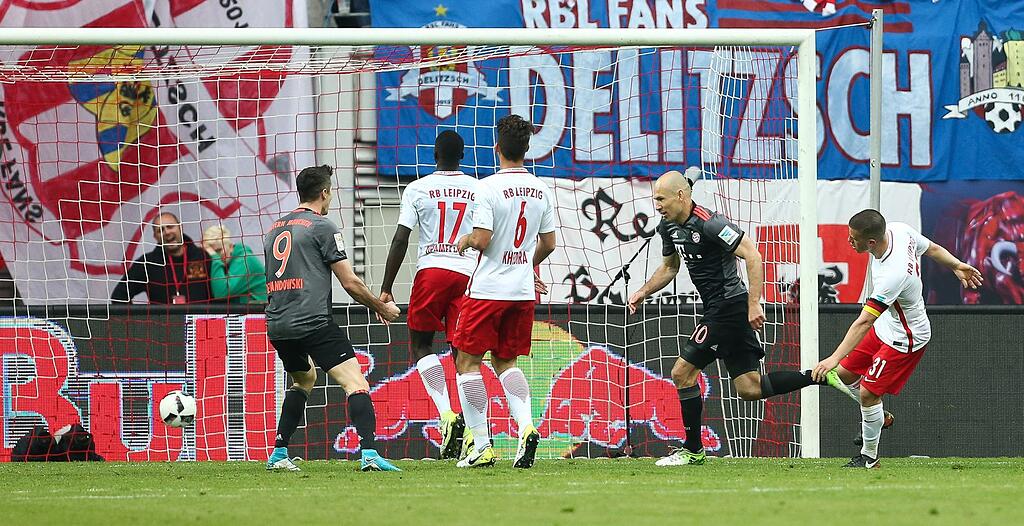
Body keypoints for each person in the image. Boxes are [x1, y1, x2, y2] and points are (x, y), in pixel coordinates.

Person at [627, 168, 853, 467]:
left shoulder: (711, 223)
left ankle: (693, 450)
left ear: (681, 195)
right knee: (750, 388)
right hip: (717, 309)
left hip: (729, 308)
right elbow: (670, 267)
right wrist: (643, 291)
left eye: (660, 199)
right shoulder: (668, 227)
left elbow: (752, 254)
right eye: (654, 199)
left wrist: (754, 303)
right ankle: (819, 376)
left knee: (682, 373)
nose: (656, 205)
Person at [811, 210, 982, 468]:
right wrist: (957, 265)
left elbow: (864, 321)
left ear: (870, 243)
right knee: (844, 375)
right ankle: (879, 416)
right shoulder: (900, 230)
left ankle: (869, 458)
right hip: (886, 327)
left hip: (906, 338)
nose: (849, 242)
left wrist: (833, 358)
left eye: (853, 238)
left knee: (868, 393)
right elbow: (933, 248)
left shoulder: (893, 275)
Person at [263, 165, 402, 473]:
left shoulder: (274, 229)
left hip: (278, 324)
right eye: (331, 192)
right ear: (324, 193)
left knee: (304, 379)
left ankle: (278, 453)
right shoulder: (322, 226)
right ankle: (369, 454)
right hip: (311, 320)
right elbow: (350, 282)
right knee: (356, 382)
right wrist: (380, 306)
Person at [452, 114, 556, 469]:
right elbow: (550, 243)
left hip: (487, 289)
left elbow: (481, 238)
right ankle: (526, 427)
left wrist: (464, 240)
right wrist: (526, 264)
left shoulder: (487, 187)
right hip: (521, 291)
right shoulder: (542, 189)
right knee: (506, 362)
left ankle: (481, 445)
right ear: (528, 149)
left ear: (497, 147)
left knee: (467, 362)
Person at [378, 131, 476, 459]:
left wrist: (387, 286)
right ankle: (477, 435)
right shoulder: (479, 188)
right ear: (463, 154)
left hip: (431, 271)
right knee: (465, 356)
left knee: (421, 344)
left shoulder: (417, 188)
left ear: (434, 154)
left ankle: (447, 414)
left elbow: (400, 239)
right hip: (467, 273)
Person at [111, 211, 211, 304]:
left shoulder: (203, 256)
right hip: (163, 322)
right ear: (155, 237)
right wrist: (138, 321)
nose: (167, 232)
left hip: (199, 322)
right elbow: (119, 296)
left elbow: (220, 295)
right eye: (160, 230)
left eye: (170, 227)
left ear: (180, 228)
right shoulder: (147, 263)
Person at [203, 225, 268, 304]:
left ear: (230, 246)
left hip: (258, 313)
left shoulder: (245, 260)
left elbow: (221, 292)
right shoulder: (226, 262)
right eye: (210, 252)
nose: (216, 255)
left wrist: (215, 258)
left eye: (219, 250)